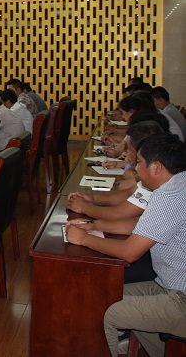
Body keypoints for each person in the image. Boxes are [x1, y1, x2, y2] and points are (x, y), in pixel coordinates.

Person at [65, 134, 186, 357]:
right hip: (168, 286)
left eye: (139, 163)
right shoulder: (178, 183)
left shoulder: (169, 196)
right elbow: (142, 225)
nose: (135, 169)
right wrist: (95, 225)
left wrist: (84, 239)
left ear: (157, 167)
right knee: (101, 293)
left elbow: (129, 252)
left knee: (106, 311)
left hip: (181, 299)